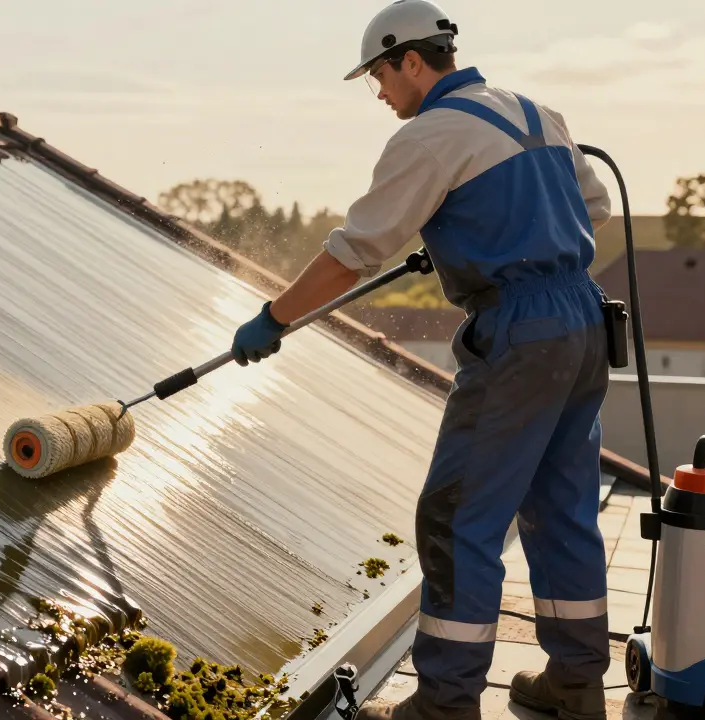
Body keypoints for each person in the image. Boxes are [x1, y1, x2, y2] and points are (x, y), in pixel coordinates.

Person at [229, 1, 615, 718]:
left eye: (378, 74)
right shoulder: (539, 112)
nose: (378, 92)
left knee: (457, 516)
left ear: (411, 59)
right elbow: (595, 212)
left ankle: (443, 706)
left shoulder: (431, 137)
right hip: (584, 322)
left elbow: (352, 252)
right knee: (562, 505)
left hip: (521, 333)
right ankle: (578, 683)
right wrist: (483, 228)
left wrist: (273, 318)